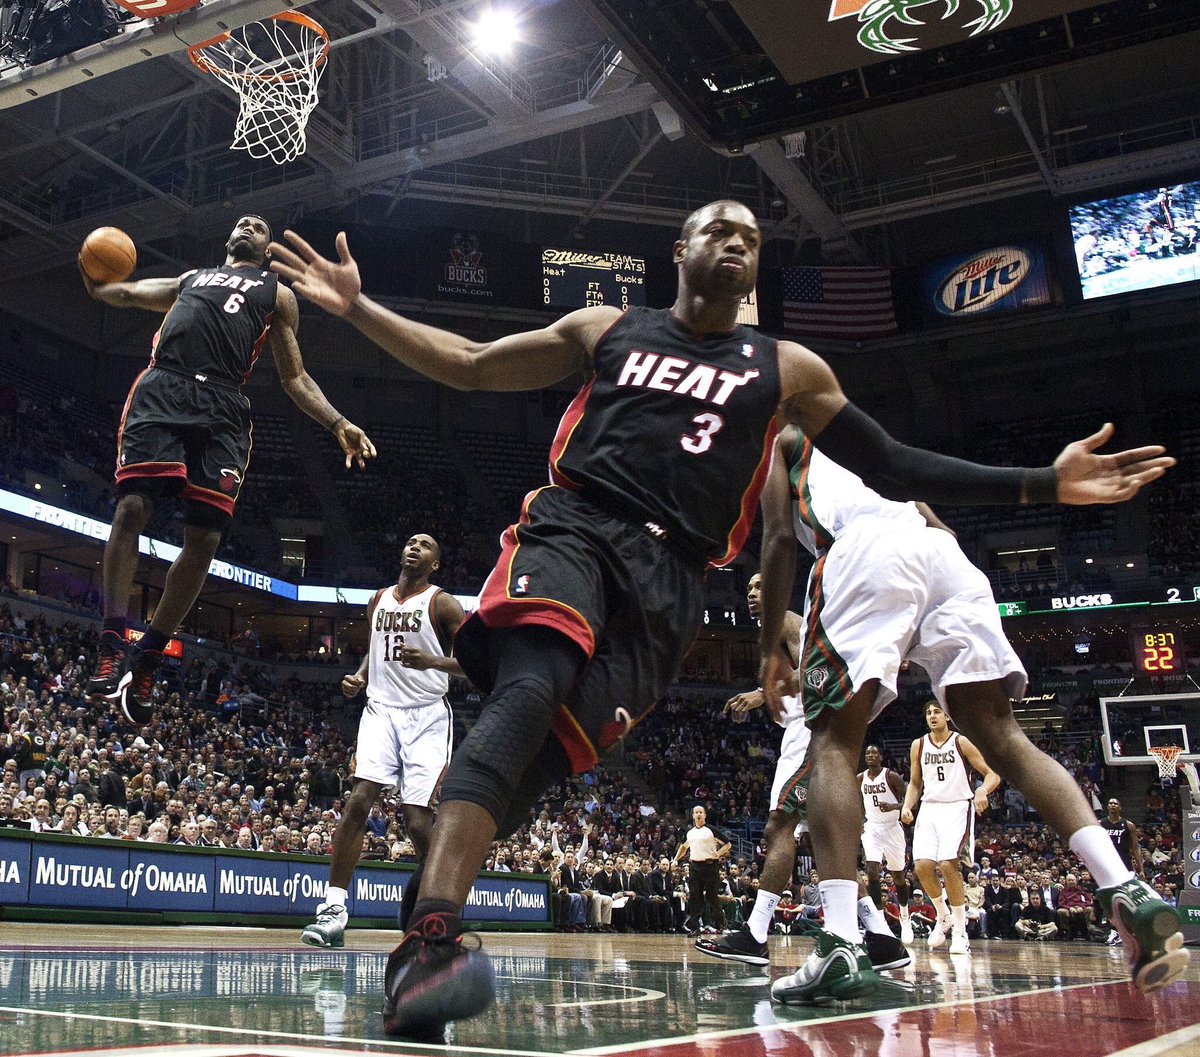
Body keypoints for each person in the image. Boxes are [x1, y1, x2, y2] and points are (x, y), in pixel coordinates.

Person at [270, 200, 1176, 1034]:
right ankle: (432, 935)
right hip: (577, 525)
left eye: (752, 235)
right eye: (720, 228)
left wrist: (1041, 483)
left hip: (673, 580)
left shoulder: (788, 371)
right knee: (530, 685)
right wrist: (358, 308)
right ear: (681, 250)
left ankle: (424, 911)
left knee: (543, 761)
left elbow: (894, 463)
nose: (738, 240)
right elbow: (469, 364)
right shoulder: (608, 328)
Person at [757, 423, 1186, 1002]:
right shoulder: (855, 433)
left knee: (833, 744)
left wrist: (769, 647)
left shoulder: (779, 438)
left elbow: (779, 540)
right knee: (1005, 737)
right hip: (942, 555)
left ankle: (838, 939)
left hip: (861, 551)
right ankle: (1123, 885)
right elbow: (938, 522)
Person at [80, 215, 375, 722]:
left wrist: (337, 422)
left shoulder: (278, 294)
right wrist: (92, 274)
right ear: (228, 238)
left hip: (223, 406)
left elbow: (296, 377)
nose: (250, 225)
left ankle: (149, 654)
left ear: (267, 249)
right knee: (131, 509)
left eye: (260, 226)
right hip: (163, 388)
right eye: (243, 222)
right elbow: (124, 293)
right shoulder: (190, 278)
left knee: (205, 541)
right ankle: (111, 641)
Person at [302, 534, 465, 948]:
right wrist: (360, 676)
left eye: (425, 545)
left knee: (416, 821)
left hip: (427, 715)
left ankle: (437, 910)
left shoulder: (443, 604)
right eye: (411, 542)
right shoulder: (377, 600)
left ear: (435, 564)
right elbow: (376, 649)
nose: (415, 547)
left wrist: (432, 661)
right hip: (380, 710)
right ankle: (333, 910)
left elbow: (474, 664)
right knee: (358, 800)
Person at [902, 701, 999, 956]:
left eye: (937, 712)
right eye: (928, 713)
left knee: (947, 865)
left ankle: (959, 931)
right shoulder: (918, 745)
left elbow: (992, 774)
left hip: (957, 806)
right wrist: (907, 806)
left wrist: (982, 790)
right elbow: (914, 783)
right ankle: (943, 915)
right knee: (922, 866)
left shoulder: (960, 742)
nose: (932, 716)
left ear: (947, 716)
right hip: (929, 807)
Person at [858, 744, 913, 943]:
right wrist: (859, 822)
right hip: (872, 827)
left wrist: (893, 806)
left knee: (898, 877)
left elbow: (911, 802)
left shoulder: (891, 776)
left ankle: (905, 917)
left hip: (892, 828)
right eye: (867, 753)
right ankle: (879, 921)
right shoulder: (860, 778)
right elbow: (857, 803)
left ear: (881, 757)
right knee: (872, 869)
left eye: (874, 753)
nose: (870, 755)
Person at [674, 805, 731, 935]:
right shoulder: (690, 832)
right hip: (694, 866)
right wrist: (675, 859)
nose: (698, 814)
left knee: (711, 897)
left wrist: (719, 853)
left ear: (705, 815)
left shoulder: (711, 830)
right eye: (696, 812)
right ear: (693, 816)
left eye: (701, 812)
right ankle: (695, 928)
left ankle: (722, 924)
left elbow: (728, 844)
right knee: (695, 896)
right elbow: (683, 847)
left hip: (710, 866)